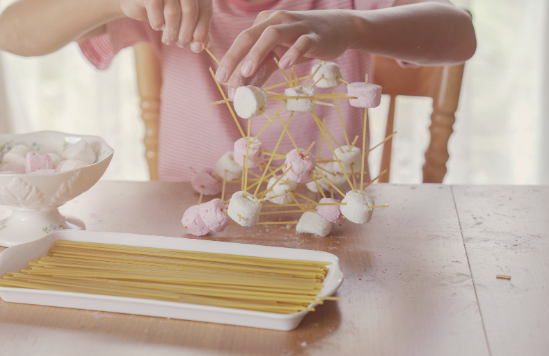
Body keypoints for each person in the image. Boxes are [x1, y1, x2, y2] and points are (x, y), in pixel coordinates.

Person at [0, 0, 475, 181]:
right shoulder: (167, 4)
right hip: (188, 222)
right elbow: (12, 31)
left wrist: (351, 26)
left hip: (329, 226)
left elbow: (460, 32)